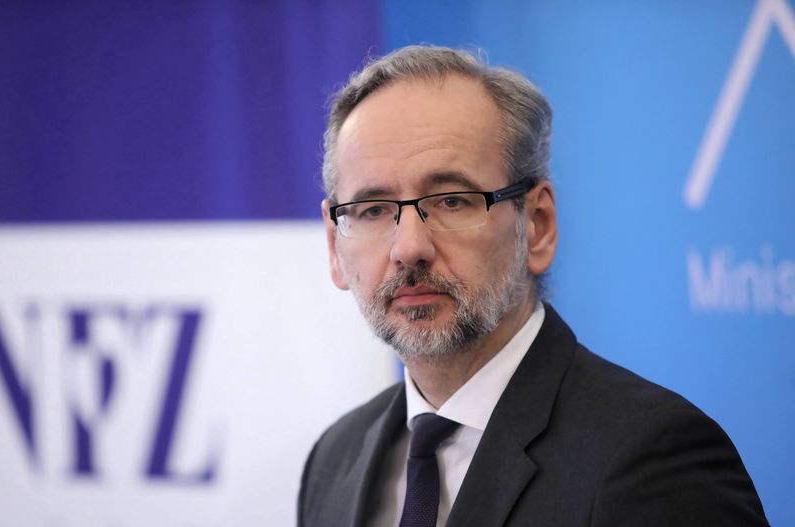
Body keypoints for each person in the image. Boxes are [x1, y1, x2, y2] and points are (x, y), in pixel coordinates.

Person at [297, 45, 767, 527]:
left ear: (537, 224)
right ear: (335, 245)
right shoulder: (334, 461)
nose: (409, 247)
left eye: (452, 201)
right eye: (373, 210)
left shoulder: (653, 458)